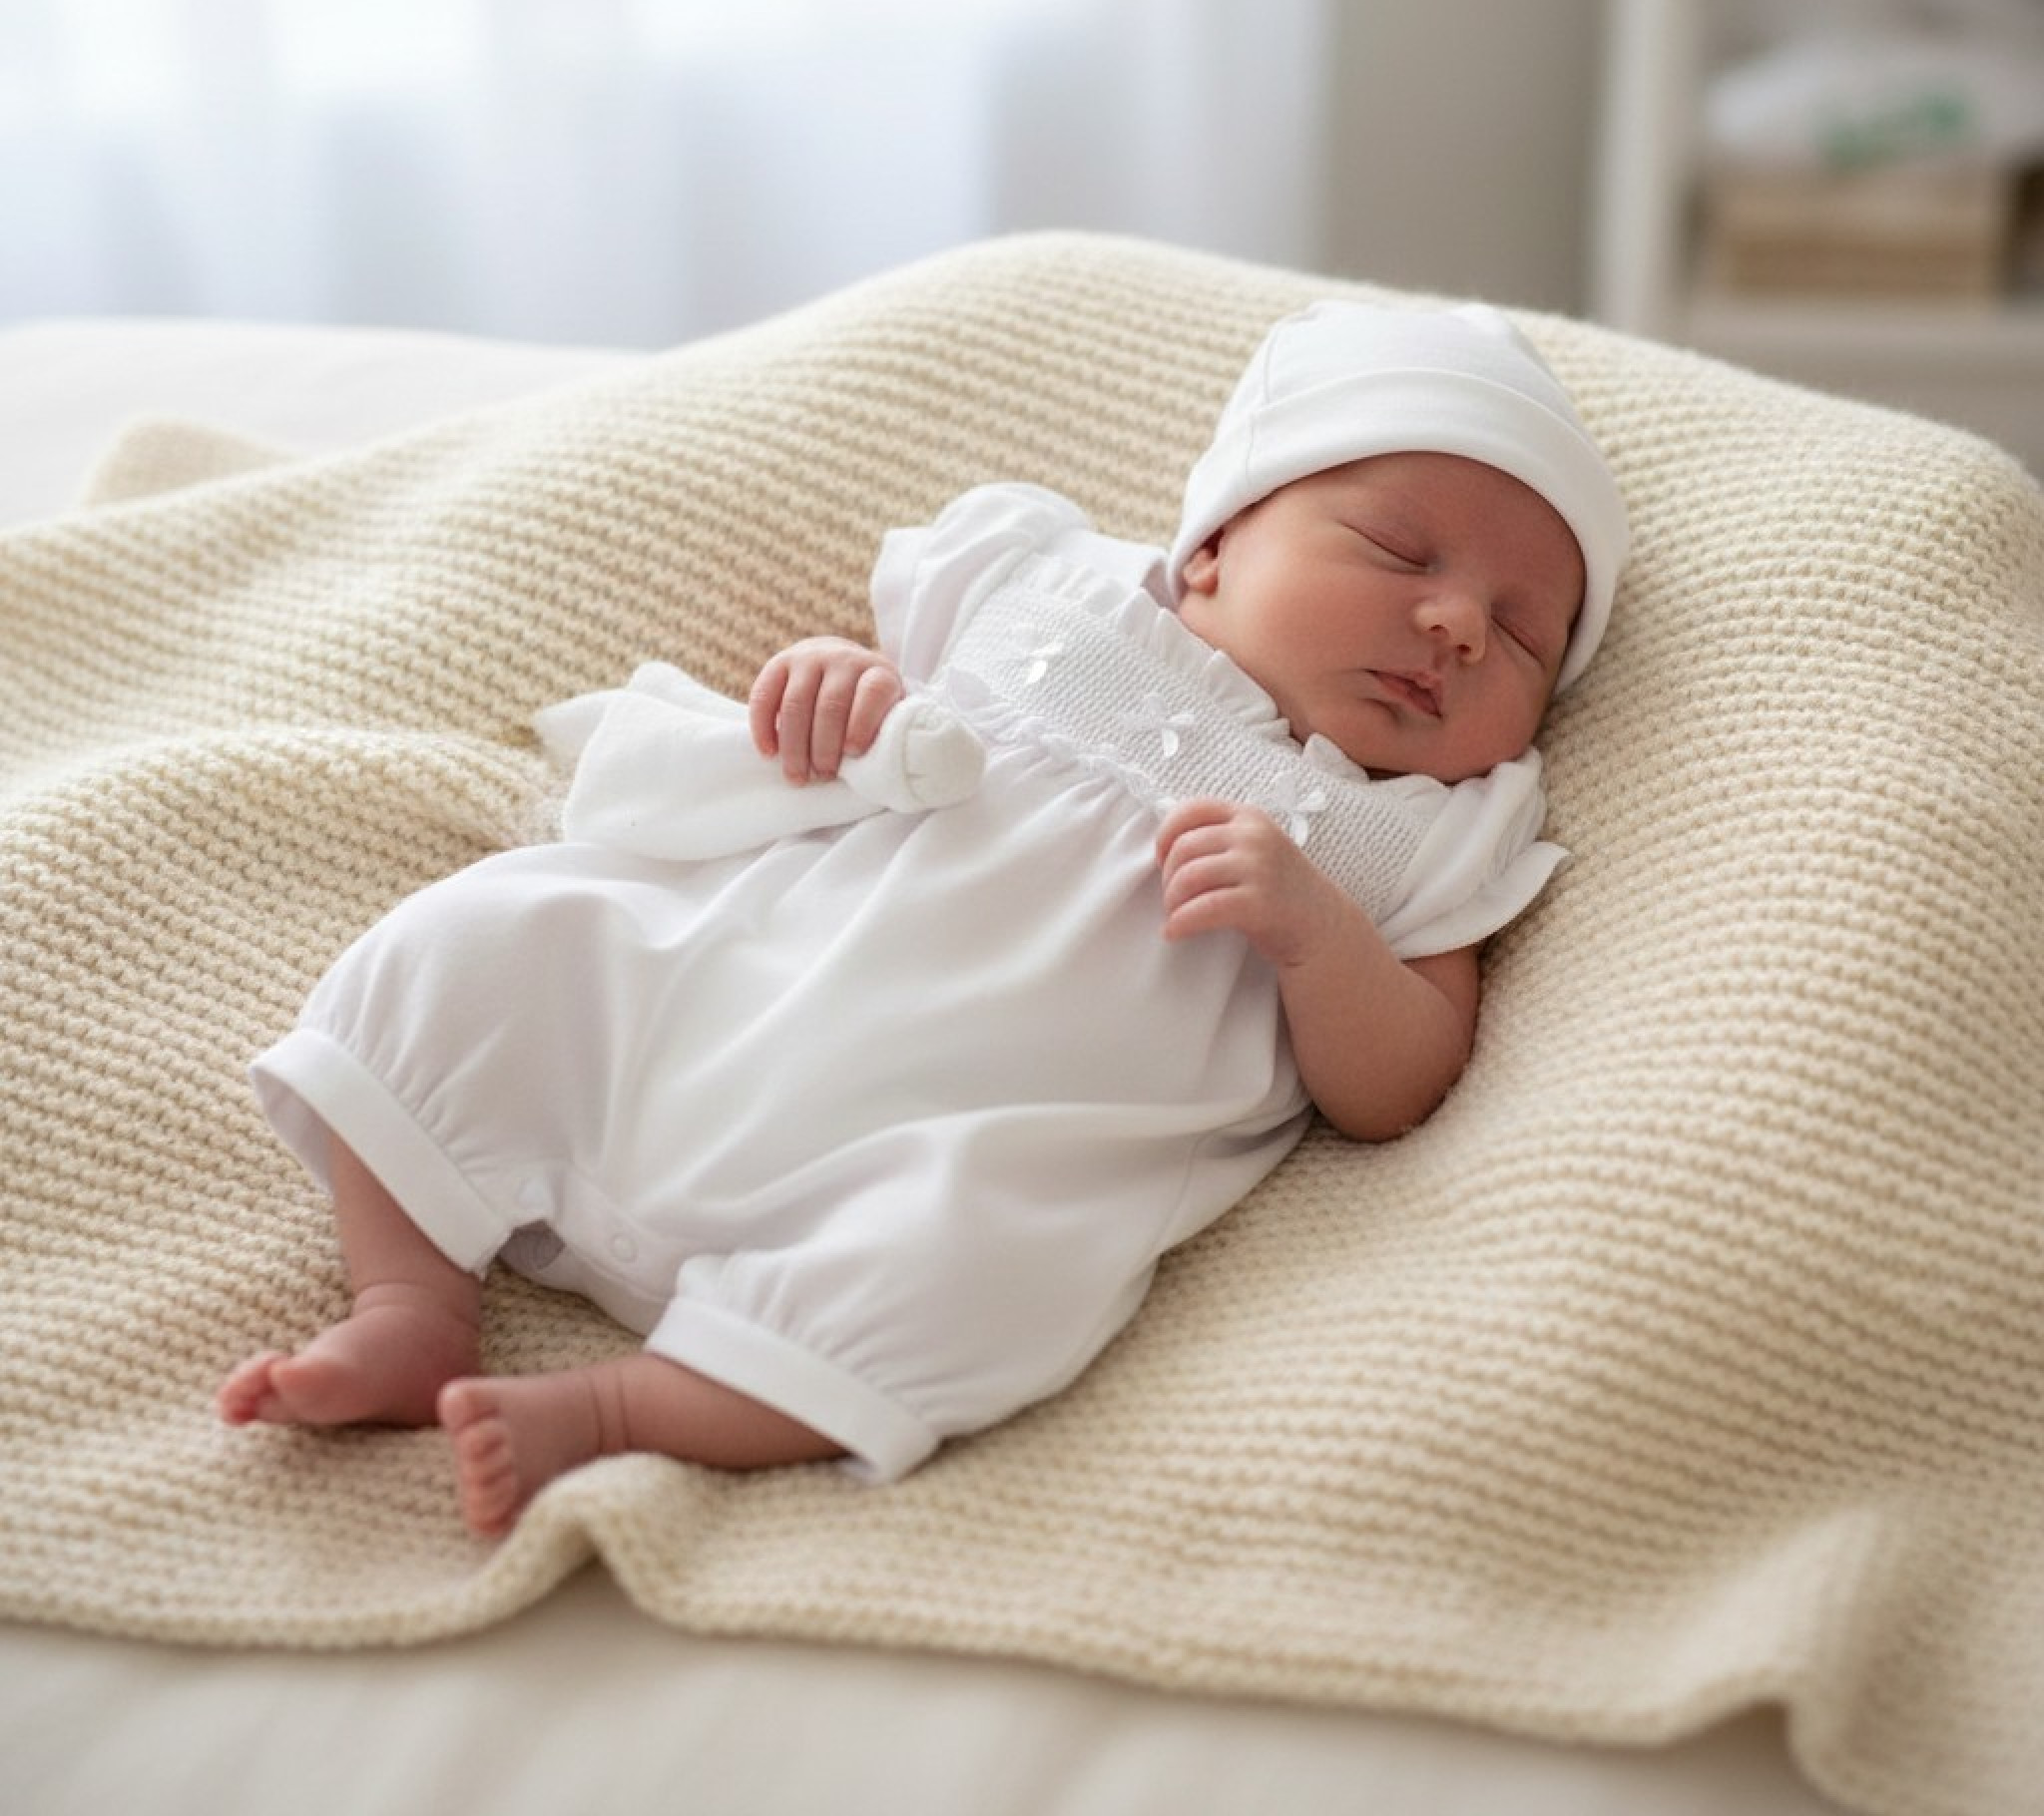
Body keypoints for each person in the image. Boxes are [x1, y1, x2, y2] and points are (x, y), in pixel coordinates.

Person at [218, 298, 1630, 1537]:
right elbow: (873, 687)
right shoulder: (1047, 584)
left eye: (1520, 635)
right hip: (741, 984)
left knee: (993, 1276)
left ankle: (612, 1412)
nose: (1455, 625)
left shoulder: (1428, 831)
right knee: (494, 942)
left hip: (968, 1145)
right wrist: (832, 682)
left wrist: (1320, 941)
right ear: (1213, 548)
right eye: (1399, 550)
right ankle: (407, 1306)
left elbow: (1406, 1082)